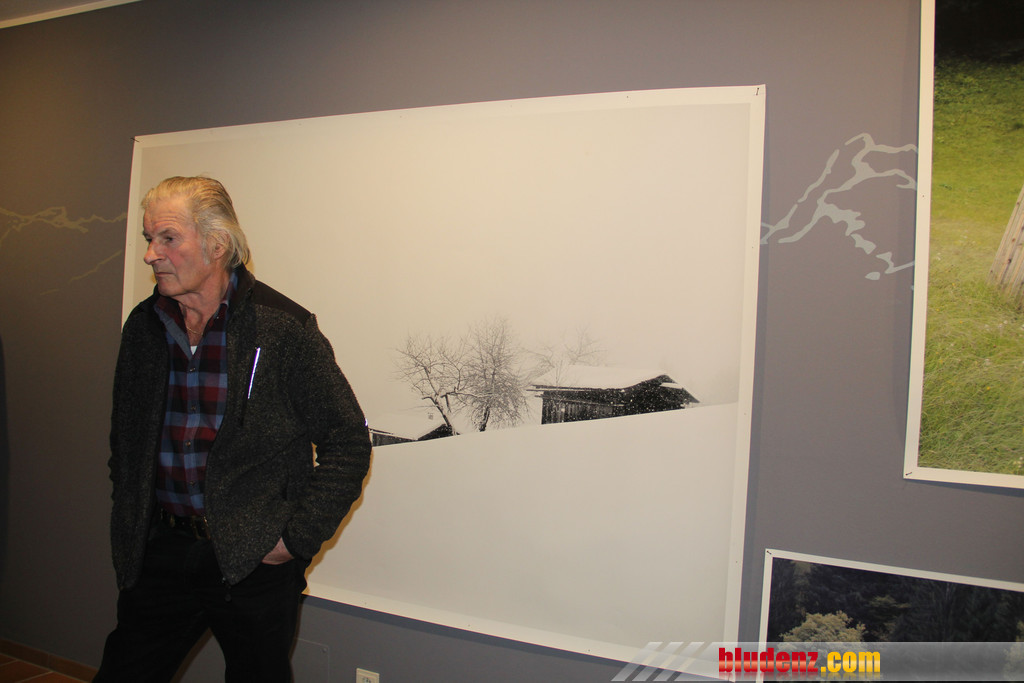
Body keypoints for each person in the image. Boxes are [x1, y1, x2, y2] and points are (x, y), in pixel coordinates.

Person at [96, 176, 371, 682]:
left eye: (168, 238)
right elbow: (126, 442)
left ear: (217, 243)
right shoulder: (144, 327)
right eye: (149, 238)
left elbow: (347, 440)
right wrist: (133, 524)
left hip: (253, 561)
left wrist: (293, 539)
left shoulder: (282, 328)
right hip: (161, 551)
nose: (151, 254)